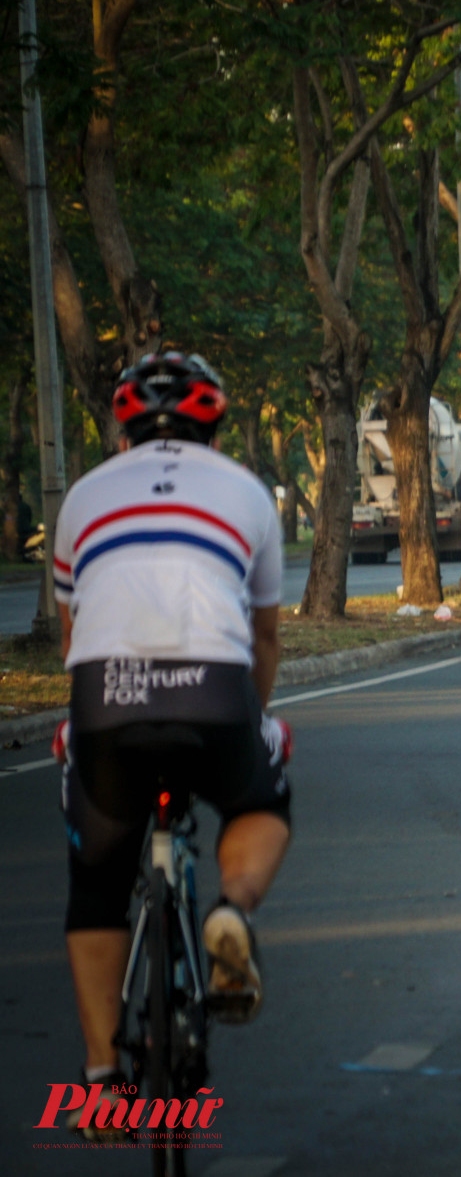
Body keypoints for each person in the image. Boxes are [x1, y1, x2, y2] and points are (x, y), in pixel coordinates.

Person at [52, 352, 291, 1128]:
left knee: (95, 879)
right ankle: (232, 909)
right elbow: (263, 636)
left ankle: (96, 1077)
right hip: (215, 688)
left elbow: (73, 633)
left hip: (107, 697)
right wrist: (249, 725)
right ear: (214, 423)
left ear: (121, 423)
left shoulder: (83, 495)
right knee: (262, 792)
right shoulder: (247, 493)